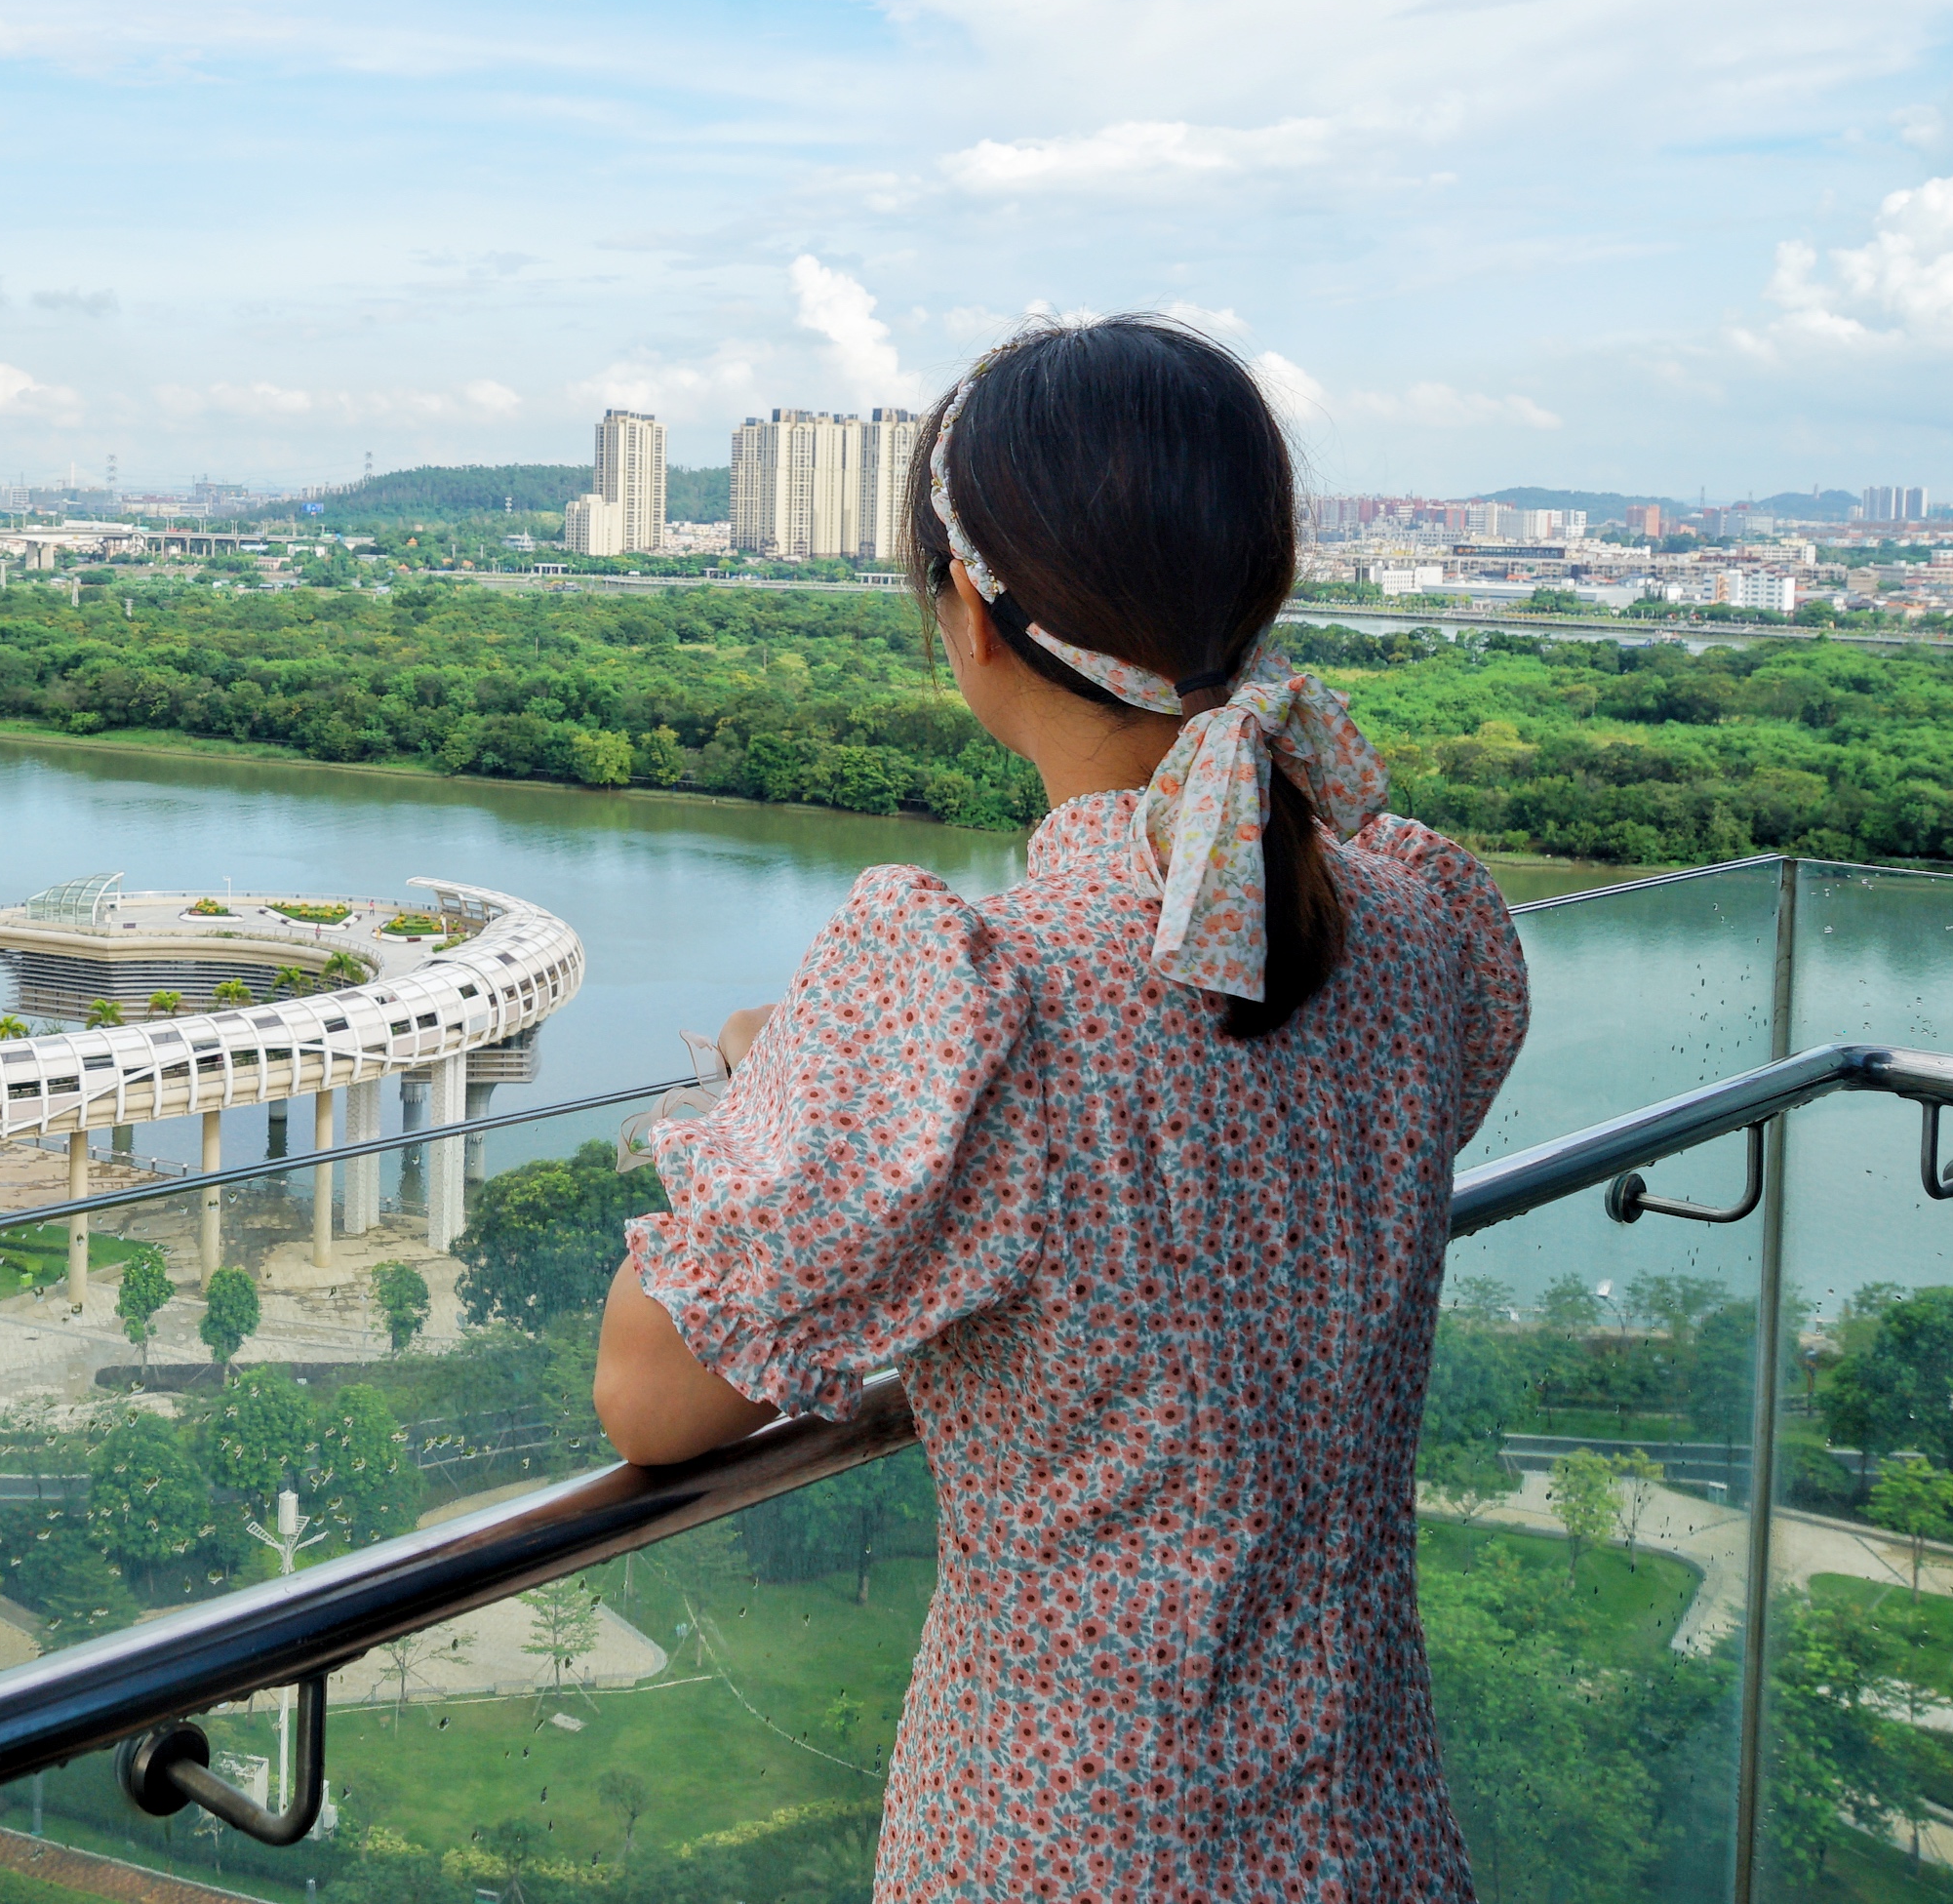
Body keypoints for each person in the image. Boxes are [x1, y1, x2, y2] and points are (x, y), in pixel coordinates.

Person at [593, 314, 1527, 1900]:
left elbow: (654, 1397)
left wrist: (785, 1088)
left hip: (1062, 1846)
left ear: (963, 609)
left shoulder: (975, 998)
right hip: (1366, 1830)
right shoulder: (1425, 927)